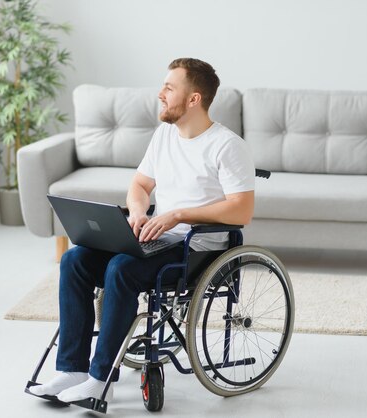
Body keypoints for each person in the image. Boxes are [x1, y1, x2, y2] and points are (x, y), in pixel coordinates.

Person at [30, 58, 255, 403]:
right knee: (75, 259)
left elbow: (242, 208)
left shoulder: (227, 145)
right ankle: (71, 369)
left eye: (169, 87)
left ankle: (100, 376)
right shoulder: (165, 134)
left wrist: (177, 215)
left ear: (194, 99)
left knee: (121, 268)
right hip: (156, 236)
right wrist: (137, 213)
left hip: (198, 249)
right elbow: (139, 184)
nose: (160, 94)